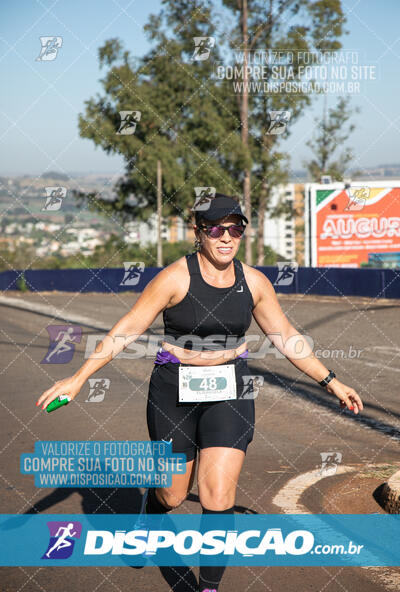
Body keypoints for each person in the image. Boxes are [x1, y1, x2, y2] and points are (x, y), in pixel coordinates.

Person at [36, 193, 363, 592]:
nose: (227, 237)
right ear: (199, 232)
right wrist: (80, 376)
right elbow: (128, 328)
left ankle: (207, 587)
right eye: (216, 228)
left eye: (236, 228)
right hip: (173, 391)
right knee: (173, 494)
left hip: (229, 390)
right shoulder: (175, 278)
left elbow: (287, 337)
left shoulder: (254, 282)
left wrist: (331, 381)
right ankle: (149, 516)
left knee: (218, 492)